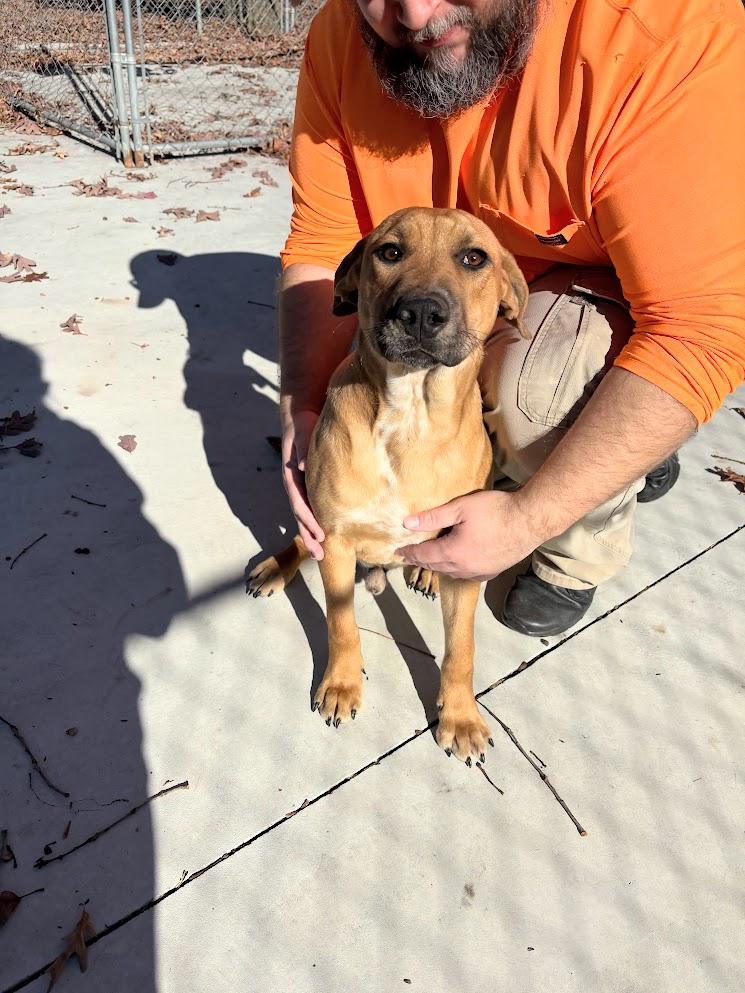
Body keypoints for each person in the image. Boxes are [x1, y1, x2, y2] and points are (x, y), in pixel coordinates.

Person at [277, 0, 745, 636]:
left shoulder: (665, 35)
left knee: (534, 397)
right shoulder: (340, 36)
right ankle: (624, 444)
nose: (413, 12)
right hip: (475, 282)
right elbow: (324, 238)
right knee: (405, 361)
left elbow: (701, 328)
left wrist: (528, 519)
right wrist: (303, 405)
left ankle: (576, 545)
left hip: (619, 280)